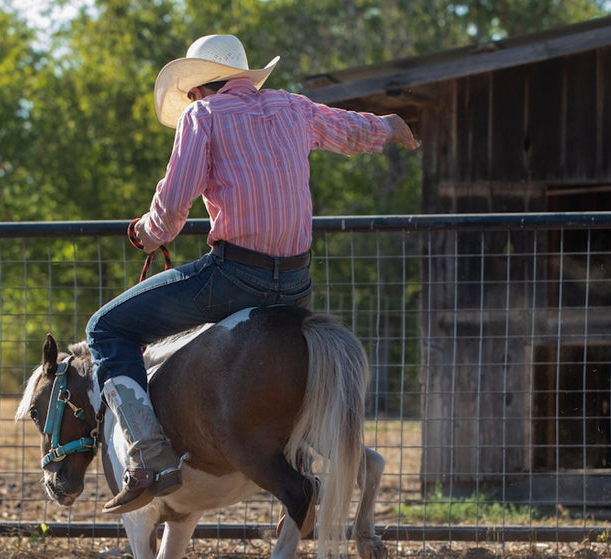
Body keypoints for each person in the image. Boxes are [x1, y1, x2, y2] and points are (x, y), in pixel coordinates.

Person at [87, 33, 420, 515]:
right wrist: (388, 127)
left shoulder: (201, 117)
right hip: (296, 285)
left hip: (236, 277)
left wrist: (147, 233)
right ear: (243, 76)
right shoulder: (292, 107)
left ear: (198, 88)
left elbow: (172, 210)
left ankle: (148, 458)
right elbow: (352, 132)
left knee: (107, 327)